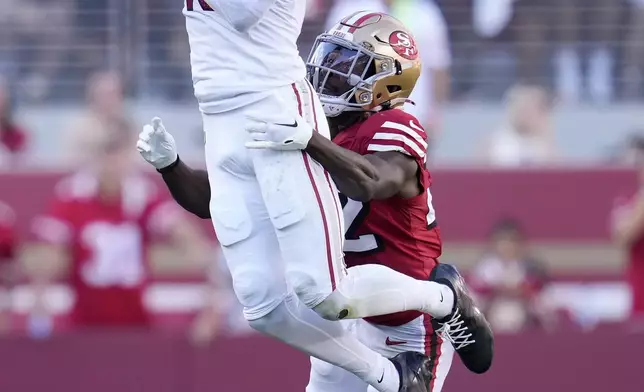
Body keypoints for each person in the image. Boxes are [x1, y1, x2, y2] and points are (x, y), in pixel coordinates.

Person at [143, 8, 493, 390]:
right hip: (349, 318)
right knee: (293, 304)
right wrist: (171, 165)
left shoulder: (394, 124)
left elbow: (370, 180)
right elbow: (214, 198)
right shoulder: (311, 123)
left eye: (350, 64)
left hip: (408, 320)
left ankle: (446, 298)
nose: (332, 72)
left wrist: (311, 141)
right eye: (332, 58)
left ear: (387, 83)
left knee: (329, 295)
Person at [31, 121, 211, 331]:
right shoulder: (73, 195)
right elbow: (48, 251)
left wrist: (211, 297)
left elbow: (186, 235)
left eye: (118, 153)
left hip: (136, 320)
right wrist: (39, 300)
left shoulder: (142, 194)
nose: (112, 162)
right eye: (106, 153)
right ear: (95, 156)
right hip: (85, 320)